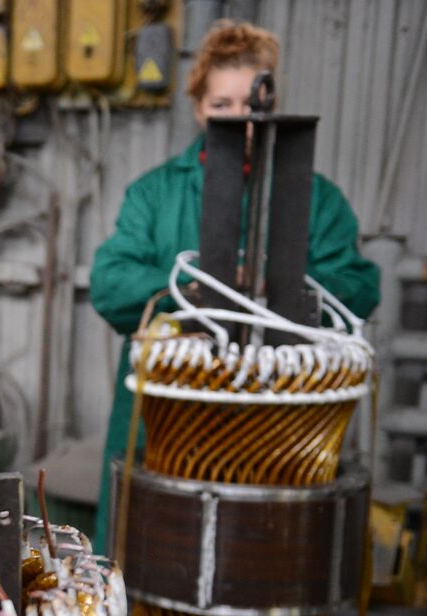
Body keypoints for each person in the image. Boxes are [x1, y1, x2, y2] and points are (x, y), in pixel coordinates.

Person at [88, 20, 380, 554]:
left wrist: (277, 288)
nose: (238, 119)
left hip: (277, 428)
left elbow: (357, 286)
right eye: (221, 105)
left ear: (269, 107)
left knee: (260, 568)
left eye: (250, 104)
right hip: (165, 424)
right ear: (198, 106)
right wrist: (203, 291)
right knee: (148, 563)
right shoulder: (155, 194)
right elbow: (110, 283)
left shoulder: (316, 200)